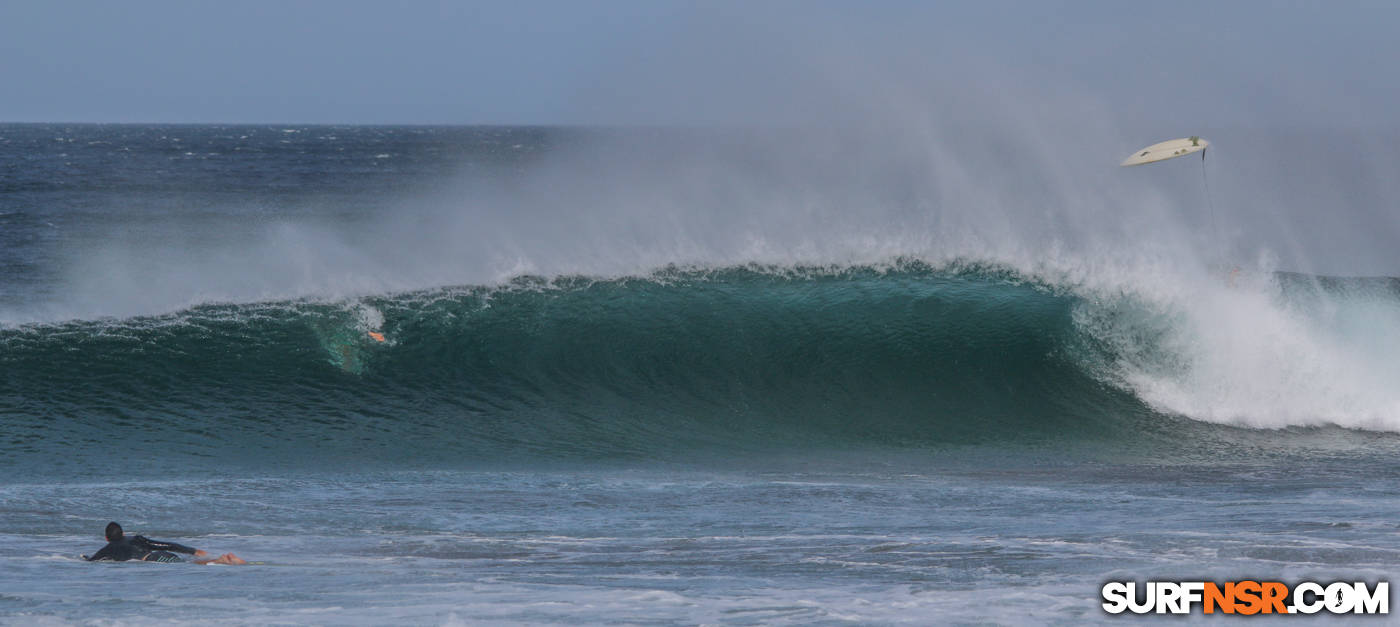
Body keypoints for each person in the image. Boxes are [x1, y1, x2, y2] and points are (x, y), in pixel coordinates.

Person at [84, 522, 246, 565]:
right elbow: (164, 545)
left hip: (152, 560)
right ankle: (220, 560)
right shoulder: (136, 538)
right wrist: (193, 550)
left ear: (106, 538)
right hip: (161, 555)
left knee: (189, 565)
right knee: (188, 562)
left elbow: (92, 561)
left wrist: (84, 557)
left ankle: (220, 561)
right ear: (123, 533)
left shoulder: (107, 548)